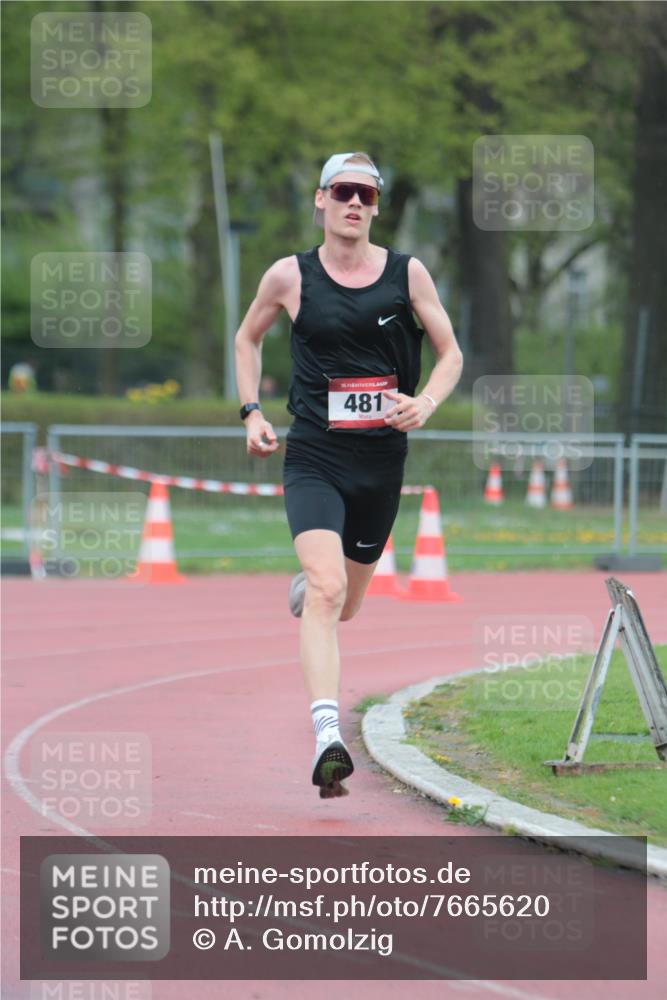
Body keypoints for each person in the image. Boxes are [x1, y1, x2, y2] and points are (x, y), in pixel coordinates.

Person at [235, 152, 463, 799]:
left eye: (364, 194)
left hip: (379, 464)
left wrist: (427, 402)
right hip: (313, 455)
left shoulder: (405, 273)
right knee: (328, 589)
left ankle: (315, 587)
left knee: (346, 604)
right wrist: (251, 410)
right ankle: (327, 735)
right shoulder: (289, 275)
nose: (353, 203)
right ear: (320, 199)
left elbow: (450, 353)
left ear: (376, 206)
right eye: (342, 192)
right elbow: (245, 339)